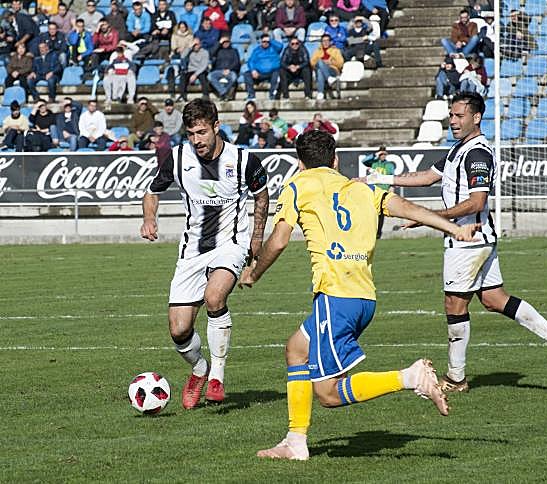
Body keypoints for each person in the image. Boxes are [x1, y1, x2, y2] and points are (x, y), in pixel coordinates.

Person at [239, 129, 482, 460]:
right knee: (296, 349)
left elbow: (279, 240)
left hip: (335, 296)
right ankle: (295, 441)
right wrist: (455, 228)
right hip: (363, 297)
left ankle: (410, 377)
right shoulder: (362, 188)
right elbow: (407, 207)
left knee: (328, 394)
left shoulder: (297, 185)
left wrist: (254, 272)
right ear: (336, 160)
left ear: (300, 163)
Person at [366, 92, 547, 391]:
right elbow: (427, 177)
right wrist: (380, 179)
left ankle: (456, 377)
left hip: (468, 239)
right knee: (494, 299)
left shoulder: (477, 154)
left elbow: (476, 202)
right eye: (451, 116)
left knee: (454, 304)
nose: (453, 121)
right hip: (478, 238)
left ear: (476, 117)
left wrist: (430, 217)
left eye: (459, 116)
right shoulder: (459, 149)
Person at [140, 98, 269, 409]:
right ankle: (200, 369)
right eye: (190, 134)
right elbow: (152, 191)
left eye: (201, 132)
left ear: (216, 126)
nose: (196, 140)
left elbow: (262, 196)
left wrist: (256, 238)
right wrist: (149, 218)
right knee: (179, 329)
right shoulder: (178, 157)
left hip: (231, 244)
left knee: (214, 297)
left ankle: (217, 378)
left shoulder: (243, 160)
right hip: (192, 250)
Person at [243, 33, 281, 100]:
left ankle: (272, 95)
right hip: (259, 73)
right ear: (261, 42)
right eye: (264, 41)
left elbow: (280, 46)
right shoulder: (257, 50)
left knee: (277, 74)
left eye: (267, 42)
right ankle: (251, 96)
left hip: (272, 72)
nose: (266, 43)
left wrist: (271, 40)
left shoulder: (274, 49)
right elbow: (251, 61)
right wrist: (253, 70)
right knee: (247, 74)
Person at [310, 34, 344, 100]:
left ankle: (320, 93)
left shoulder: (335, 50)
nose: (325, 42)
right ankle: (329, 78)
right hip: (320, 70)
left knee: (320, 69)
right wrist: (322, 62)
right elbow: (312, 62)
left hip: (332, 70)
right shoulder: (318, 51)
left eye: (327, 41)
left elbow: (340, 63)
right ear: (321, 42)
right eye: (324, 41)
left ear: (330, 42)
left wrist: (330, 62)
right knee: (319, 67)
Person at [207, 35, 240, 101]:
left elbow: (236, 62)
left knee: (234, 77)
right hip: (218, 70)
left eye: (227, 42)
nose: (225, 43)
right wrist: (219, 43)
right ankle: (224, 92)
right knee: (209, 76)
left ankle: (223, 93)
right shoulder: (217, 50)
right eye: (224, 42)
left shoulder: (234, 51)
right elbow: (210, 54)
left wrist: (229, 69)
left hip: (230, 71)